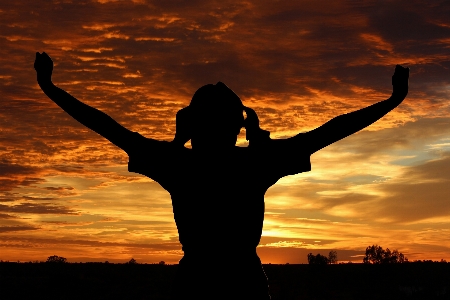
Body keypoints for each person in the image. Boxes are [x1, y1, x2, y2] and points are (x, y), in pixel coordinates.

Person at [34, 52, 409, 299]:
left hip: (196, 285)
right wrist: (392, 102)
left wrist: (51, 88)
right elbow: (330, 130)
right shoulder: (254, 164)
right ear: (238, 128)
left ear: (192, 125)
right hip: (243, 287)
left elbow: (105, 125)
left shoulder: (177, 163)